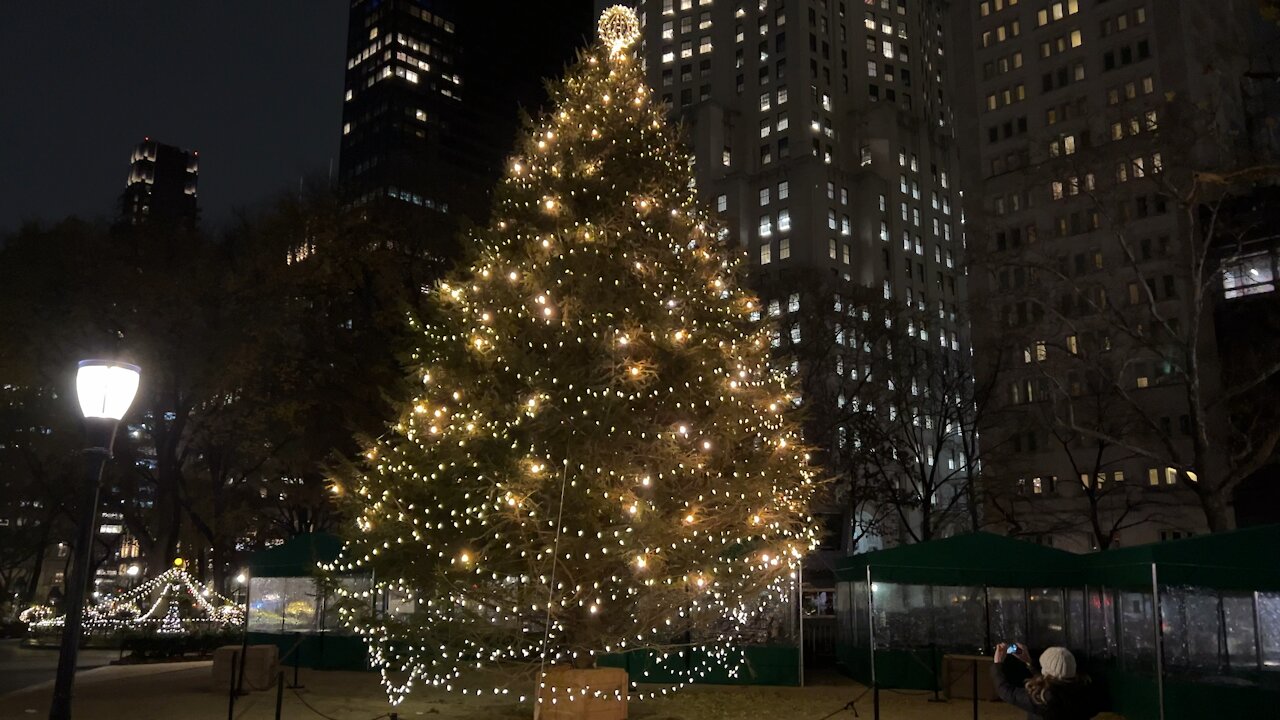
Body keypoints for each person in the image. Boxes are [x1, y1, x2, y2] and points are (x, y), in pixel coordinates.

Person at [991, 643, 1101, 720]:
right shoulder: (1084, 692)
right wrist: (1029, 662)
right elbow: (1055, 679)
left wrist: (997, 663)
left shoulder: (1043, 698)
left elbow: (1005, 691)